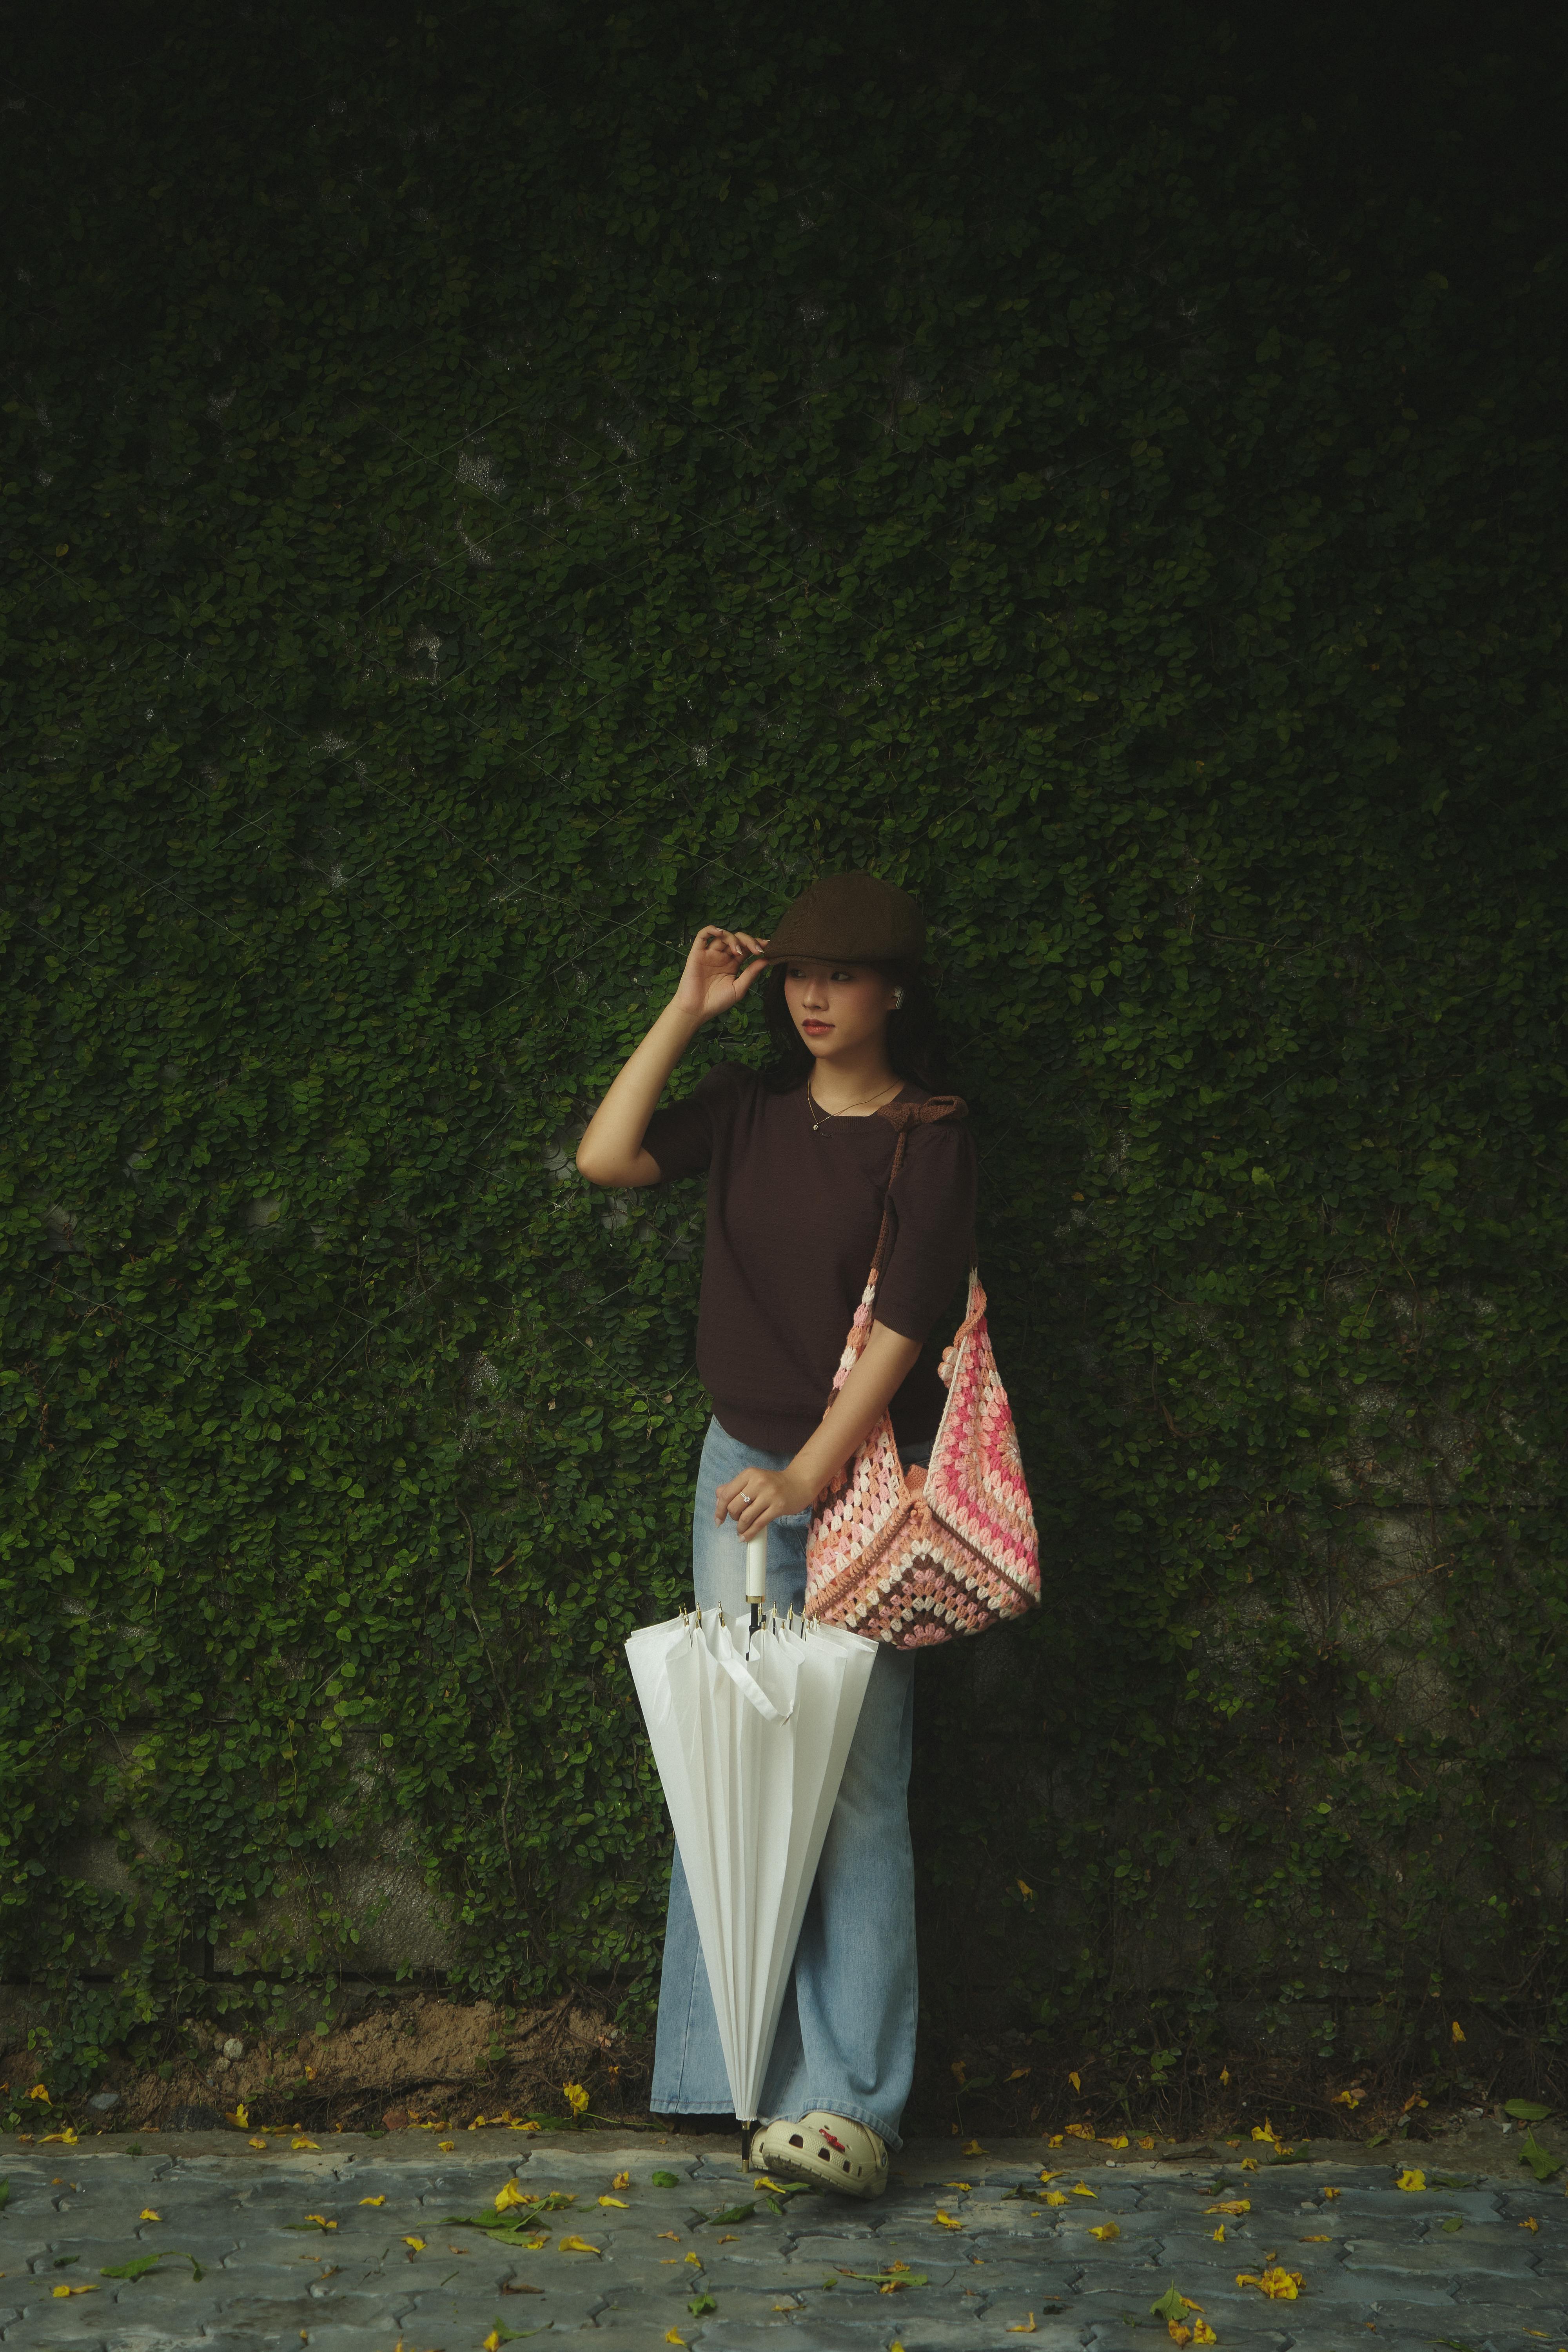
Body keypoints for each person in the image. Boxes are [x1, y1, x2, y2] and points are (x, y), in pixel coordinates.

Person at [575, 871, 977, 2195]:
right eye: (798, 972)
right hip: (737, 1475)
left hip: (856, 1482)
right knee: (731, 1766)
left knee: (856, 1791)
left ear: (895, 992)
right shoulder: (748, 1110)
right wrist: (689, 1010)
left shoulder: (929, 1134)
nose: (813, 995)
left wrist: (812, 1467)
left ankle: (852, 2109)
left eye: (843, 975)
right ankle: (729, 2074)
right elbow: (607, 1156)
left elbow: (913, 1317)